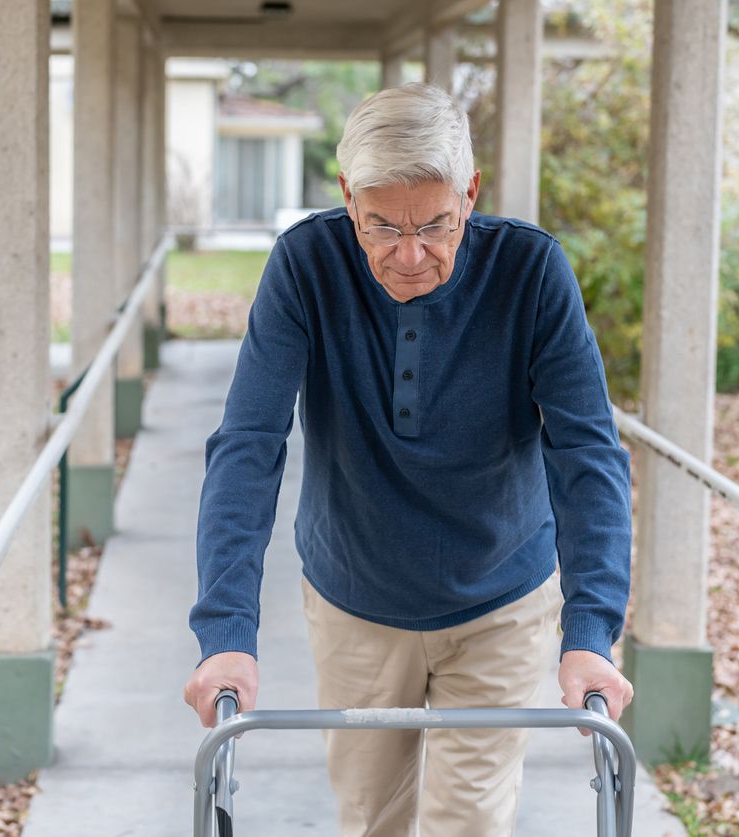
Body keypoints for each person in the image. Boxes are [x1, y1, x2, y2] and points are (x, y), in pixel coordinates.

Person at [182, 83, 634, 837]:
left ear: (471, 192)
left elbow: (585, 450)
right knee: (373, 822)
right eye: (381, 225)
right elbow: (248, 444)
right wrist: (225, 631)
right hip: (355, 596)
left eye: (434, 224)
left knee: (469, 825)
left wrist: (589, 633)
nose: (409, 253)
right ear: (347, 196)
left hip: (499, 597)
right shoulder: (305, 265)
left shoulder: (530, 272)